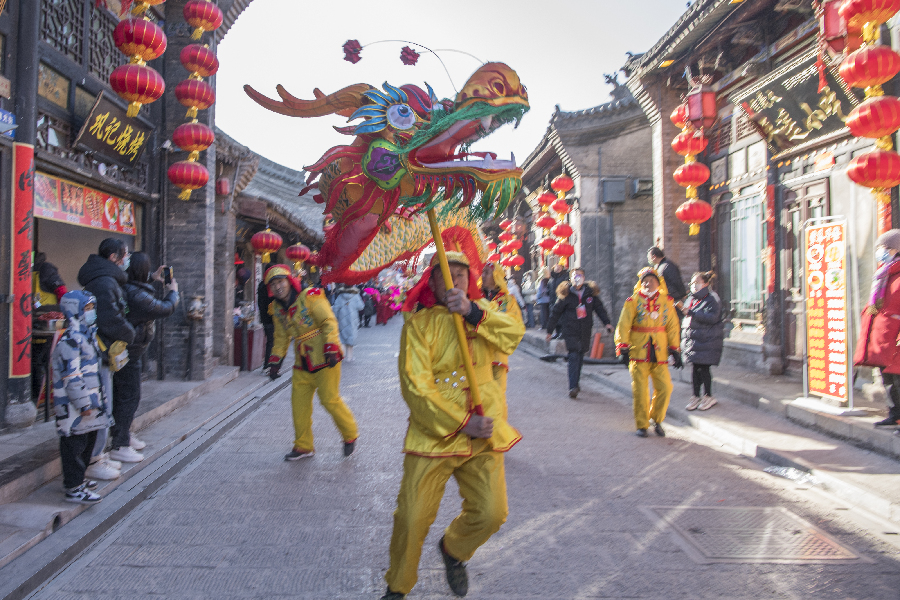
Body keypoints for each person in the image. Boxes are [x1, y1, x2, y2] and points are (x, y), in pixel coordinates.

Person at [381, 252, 523, 600]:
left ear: (469, 280)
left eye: (461, 275)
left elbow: (514, 335)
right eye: (446, 274)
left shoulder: (483, 313)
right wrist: (461, 422)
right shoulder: (419, 325)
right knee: (412, 517)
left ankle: (454, 550)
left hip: (484, 432)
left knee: (492, 513)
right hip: (435, 433)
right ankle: (397, 587)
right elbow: (415, 385)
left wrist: (474, 314)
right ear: (432, 282)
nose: (455, 280)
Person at [264, 264, 359, 460]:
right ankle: (303, 446)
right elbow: (281, 337)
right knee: (298, 405)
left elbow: (328, 321)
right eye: (273, 284)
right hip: (302, 362)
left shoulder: (310, 296)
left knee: (329, 400)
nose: (278, 287)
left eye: (280, 281)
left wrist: (332, 346)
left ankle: (350, 434)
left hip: (325, 357)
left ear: (289, 281)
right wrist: (275, 361)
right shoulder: (277, 310)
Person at [110, 253, 179, 463]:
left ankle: (124, 434)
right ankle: (119, 444)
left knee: (128, 395)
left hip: (132, 348)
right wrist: (173, 293)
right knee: (129, 396)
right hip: (129, 350)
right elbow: (163, 308)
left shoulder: (129, 286)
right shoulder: (136, 294)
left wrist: (152, 277)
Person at [77, 238, 136, 481]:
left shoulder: (103, 278)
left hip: (100, 349)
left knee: (103, 402)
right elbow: (110, 318)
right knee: (102, 404)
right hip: (99, 351)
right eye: (125, 255)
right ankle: (94, 458)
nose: (127, 259)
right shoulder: (104, 282)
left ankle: (98, 455)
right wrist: (130, 333)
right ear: (113, 257)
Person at [52, 290, 111, 504]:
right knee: (74, 446)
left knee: (87, 441)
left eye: (92, 308)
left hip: (90, 403)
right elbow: (72, 376)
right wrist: (84, 403)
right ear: (74, 310)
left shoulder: (87, 335)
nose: (91, 312)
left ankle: (79, 480)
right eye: (87, 309)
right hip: (73, 407)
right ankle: (73, 487)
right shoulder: (71, 341)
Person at [615, 267, 682, 437]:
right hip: (638, 352)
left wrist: (675, 349)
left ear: (658, 283)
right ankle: (642, 424)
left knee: (665, 387)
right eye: (645, 280)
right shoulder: (633, 301)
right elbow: (623, 324)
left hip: (659, 353)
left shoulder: (666, 302)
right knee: (640, 391)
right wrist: (622, 347)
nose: (647, 283)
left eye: (651, 280)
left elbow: (673, 326)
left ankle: (657, 419)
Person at [855, 229, 900, 428]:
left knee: (898, 379)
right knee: (888, 379)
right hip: (883, 338)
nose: (880, 251)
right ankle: (895, 415)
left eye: (884, 248)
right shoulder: (883, 274)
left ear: (895, 251)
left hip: (896, 338)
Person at [545, 268, 613, 399]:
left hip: (585, 329)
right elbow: (555, 312)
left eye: (580, 275)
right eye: (575, 275)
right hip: (570, 329)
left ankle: (576, 382)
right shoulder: (566, 294)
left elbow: (600, 309)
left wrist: (607, 323)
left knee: (580, 355)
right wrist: (549, 330)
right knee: (573, 355)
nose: (578, 278)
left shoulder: (590, 294)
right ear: (570, 278)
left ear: (584, 277)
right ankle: (573, 386)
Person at [677, 271, 724, 411]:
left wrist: (691, 313)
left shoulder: (712, 298)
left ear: (706, 284)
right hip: (694, 340)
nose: (694, 285)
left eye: (697, 282)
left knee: (704, 368)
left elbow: (713, 317)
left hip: (707, 340)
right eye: (692, 283)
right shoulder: (691, 299)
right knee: (695, 369)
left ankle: (708, 396)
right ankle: (695, 396)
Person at [481, 262, 523, 396]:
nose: (483, 275)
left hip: (498, 354)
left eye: (487, 272)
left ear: (496, 276)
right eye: (483, 272)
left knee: (498, 395)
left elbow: (515, 324)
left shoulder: (508, 300)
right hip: (478, 354)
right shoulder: (475, 297)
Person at [32, 252, 68, 401]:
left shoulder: (45, 269)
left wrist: (62, 314)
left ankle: (39, 397)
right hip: (32, 324)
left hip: (47, 326)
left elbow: (61, 291)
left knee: (40, 362)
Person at [332, 283, 364, 362]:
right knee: (351, 337)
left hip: (341, 319)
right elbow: (361, 307)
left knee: (342, 338)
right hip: (352, 320)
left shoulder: (340, 296)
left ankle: (342, 356)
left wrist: (335, 318)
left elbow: (335, 308)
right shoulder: (356, 296)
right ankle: (350, 357)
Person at [257, 277, 275, 375]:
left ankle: (270, 364)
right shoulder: (268, 286)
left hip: (264, 318)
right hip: (270, 318)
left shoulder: (261, 285)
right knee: (271, 342)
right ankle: (268, 365)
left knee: (270, 341)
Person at [547, 263, 569, 338]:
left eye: (559, 267)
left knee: (562, 317)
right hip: (552, 300)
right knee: (554, 317)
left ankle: (562, 332)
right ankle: (557, 332)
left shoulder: (564, 276)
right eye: (556, 267)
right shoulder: (551, 278)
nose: (558, 268)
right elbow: (549, 288)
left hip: (561, 299)